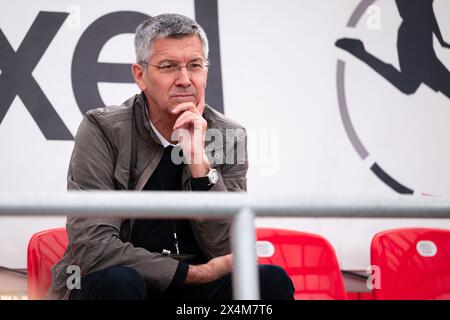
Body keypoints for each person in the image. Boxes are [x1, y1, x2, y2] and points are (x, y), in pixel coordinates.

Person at [48, 13, 294, 300]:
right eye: (168, 67)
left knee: (271, 281)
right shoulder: (102, 129)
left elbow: (228, 252)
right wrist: (194, 274)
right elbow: (94, 247)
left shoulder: (229, 135)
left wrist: (199, 162)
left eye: (195, 65)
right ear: (140, 75)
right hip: (127, 285)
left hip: (192, 298)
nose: (185, 80)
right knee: (119, 281)